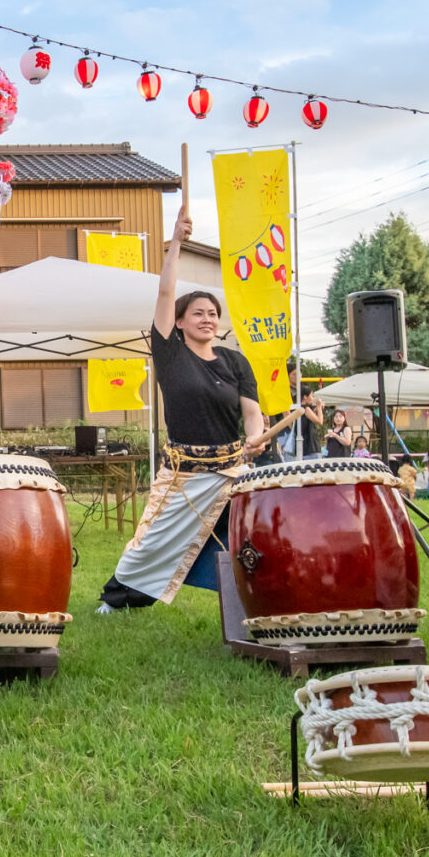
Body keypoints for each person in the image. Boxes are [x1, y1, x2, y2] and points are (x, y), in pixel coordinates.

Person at [96, 208, 300, 611]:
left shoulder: (234, 360)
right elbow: (165, 294)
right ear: (181, 322)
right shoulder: (170, 355)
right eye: (198, 314)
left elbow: (251, 410)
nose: (207, 319)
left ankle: (269, 596)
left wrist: (256, 437)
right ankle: (119, 598)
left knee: (258, 533)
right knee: (151, 541)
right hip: (184, 473)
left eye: (212, 314)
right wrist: (175, 243)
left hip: (233, 468)